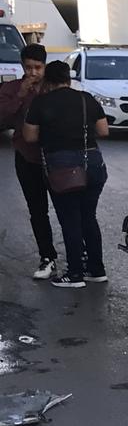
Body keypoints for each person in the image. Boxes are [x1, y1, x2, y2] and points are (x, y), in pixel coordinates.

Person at [22, 60, 109, 289]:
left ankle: (75, 274)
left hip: (63, 168)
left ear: (48, 81)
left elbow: (29, 137)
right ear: (68, 79)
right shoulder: (86, 98)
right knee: (88, 217)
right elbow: (103, 130)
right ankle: (96, 270)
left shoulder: (41, 102)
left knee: (70, 219)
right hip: (93, 163)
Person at [0, 44, 59, 277]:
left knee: (67, 209)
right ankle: (47, 257)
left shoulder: (53, 88)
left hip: (56, 158)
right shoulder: (12, 88)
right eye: (28, 68)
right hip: (27, 157)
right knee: (37, 210)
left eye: (38, 67)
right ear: (22, 67)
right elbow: (2, 116)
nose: (33, 73)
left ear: (45, 66)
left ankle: (80, 255)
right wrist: (20, 96)